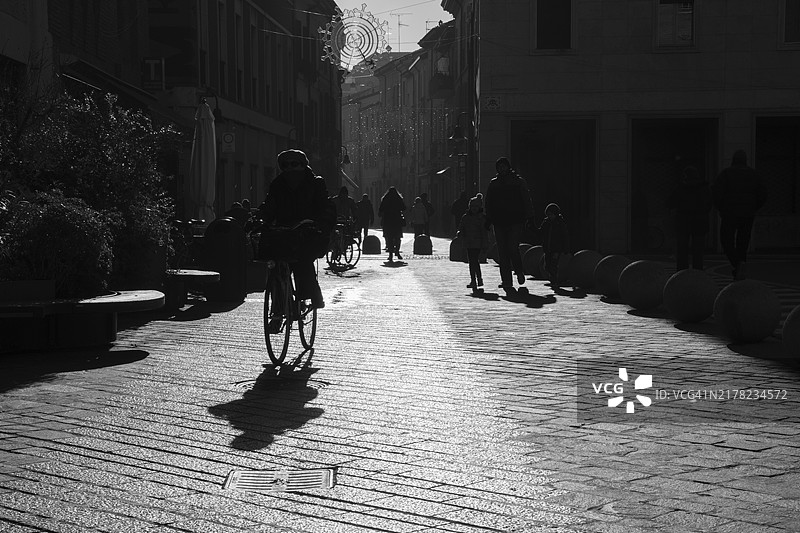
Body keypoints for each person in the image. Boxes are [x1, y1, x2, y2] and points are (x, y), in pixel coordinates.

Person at [257, 149, 335, 309]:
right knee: (275, 262)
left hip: (307, 230)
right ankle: (278, 306)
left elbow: (325, 206)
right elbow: (270, 205)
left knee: (303, 260)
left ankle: (313, 297)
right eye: (285, 165)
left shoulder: (315, 183)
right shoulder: (278, 184)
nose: (289, 168)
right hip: (284, 230)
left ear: (303, 165)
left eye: (294, 164)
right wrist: (260, 218)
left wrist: (321, 222)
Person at [711, 150, 767, 280]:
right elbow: (763, 194)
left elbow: (716, 192)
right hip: (748, 214)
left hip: (730, 213)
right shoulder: (754, 175)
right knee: (743, 243)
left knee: (726, 241)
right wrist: (754, 207)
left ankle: (737, 265)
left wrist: (721, 208)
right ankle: (740, 268)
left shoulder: (726, 174)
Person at [484, 157, 535, 291]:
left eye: (504, 166)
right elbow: (489, 202)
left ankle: (519, 271)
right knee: (502, 251)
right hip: (499, 221)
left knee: (512, 247)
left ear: (508, 167)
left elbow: (526, 199)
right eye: (499, 167)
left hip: (515, 220)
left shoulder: (518, 182)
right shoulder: (494, 184)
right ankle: (506, 280)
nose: (502, 169)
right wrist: (488, 219)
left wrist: (530, 217)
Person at [667, 166, 712, 271]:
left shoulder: (680, 188)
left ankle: (682, 273)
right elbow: (709, 205)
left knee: (682, 252)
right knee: (698, 253)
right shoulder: (704, 188)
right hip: (700, 222)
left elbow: (670, 202)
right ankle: (697, 273)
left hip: (683, 222)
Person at [458, 194, 489, 291]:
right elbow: (461, 227)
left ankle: (477, 279)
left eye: (476, 206)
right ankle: (475, 279)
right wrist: (460, 233)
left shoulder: (482, 218)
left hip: (478, 243)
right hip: (469, 242)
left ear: (479, 207)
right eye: (472, 206)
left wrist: (485, 244)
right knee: (472, 261)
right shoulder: (466, 217)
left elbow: (484, 232)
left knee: (474, 261)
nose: (474, 208)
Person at [538, 203, 569, 287]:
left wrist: (565, 248)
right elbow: (541, 232)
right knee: (547, 266)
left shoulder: (560, 223)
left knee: (553, 265)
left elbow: (564, 236)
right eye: (548, 215)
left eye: (551, 214)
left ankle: (554, 281)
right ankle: (552, 279)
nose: (550, 216)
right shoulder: (546, 222)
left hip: (556, 249)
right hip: (548, 248)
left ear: (555, 214)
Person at [378, 186, 406, 261]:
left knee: (389, 237)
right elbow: (404, 207)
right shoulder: (398, 199)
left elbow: (381, 209)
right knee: (397, 237)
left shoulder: (385, 199)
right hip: (397, 220)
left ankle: (390, 254)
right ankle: (397, 251)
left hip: (388, 220)